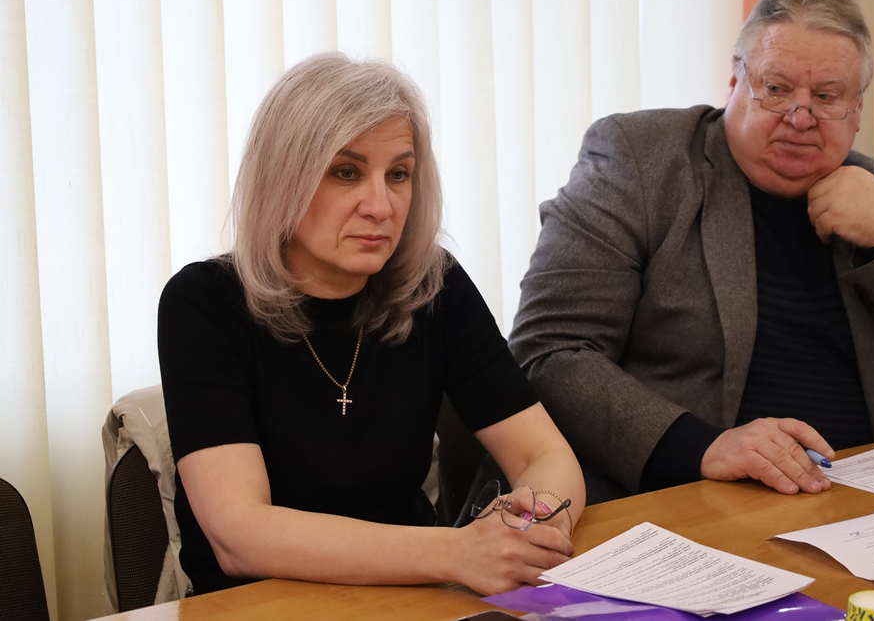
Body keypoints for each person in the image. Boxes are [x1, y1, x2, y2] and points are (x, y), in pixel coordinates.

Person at [509, 0, 874, 505]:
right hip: (684, 498)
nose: (801, 117)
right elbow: (551, 350)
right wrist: (702, 447)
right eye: (777, 88)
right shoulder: (641, 162)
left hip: (860, 504)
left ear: (858, 109)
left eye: (827, 97)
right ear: (735, 83)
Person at [158, 52, 585, 596]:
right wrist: (457, 552)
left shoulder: (435, 286)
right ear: (283, 179)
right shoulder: (203, 303)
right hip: (260, 605)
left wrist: (538, 520)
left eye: (399, 174)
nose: (382, 206)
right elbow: (241, 536)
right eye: (347, 172)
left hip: (411, 597)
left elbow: (544, 455)